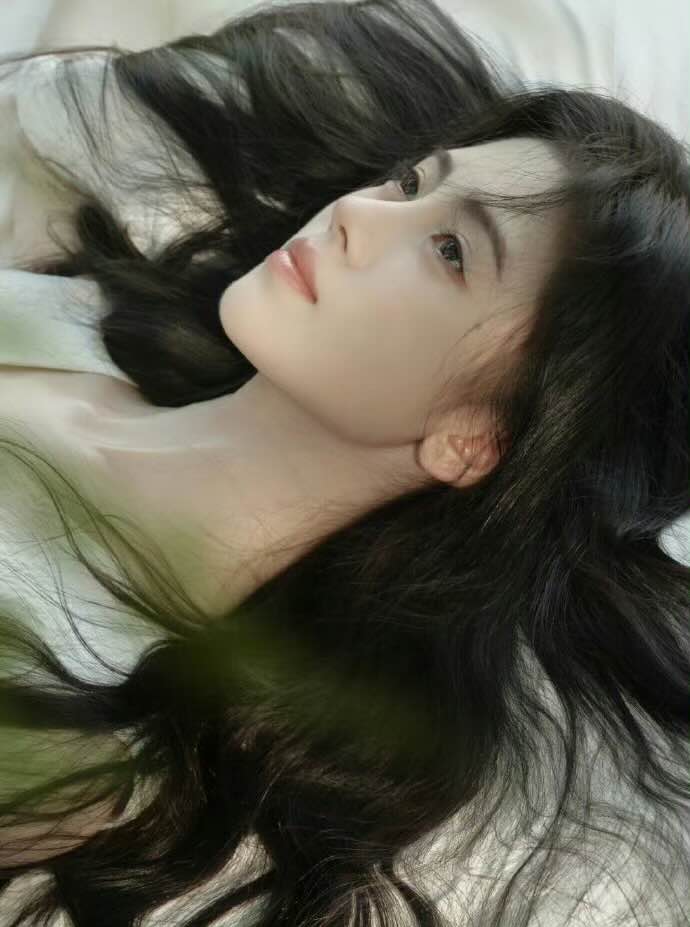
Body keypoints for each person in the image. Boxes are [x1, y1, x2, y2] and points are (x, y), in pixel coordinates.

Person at [0, 0, 688, 924]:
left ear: (474, 438)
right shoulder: (89, 313)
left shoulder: (89, 724)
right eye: (410, 183)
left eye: (450, 251)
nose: (361, 214)